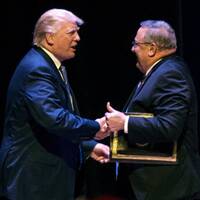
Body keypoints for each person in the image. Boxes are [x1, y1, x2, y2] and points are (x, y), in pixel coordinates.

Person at [0, 8, 110, 200]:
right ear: (50, 38)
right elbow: (55, 119)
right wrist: (95, 127)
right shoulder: (37, 69)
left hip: (45, 175)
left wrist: (88, 146)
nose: (78, 38)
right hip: (34, 179)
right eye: (71, 33)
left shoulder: (49, 65)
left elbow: (50, 130)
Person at [105, 20, 200, 200]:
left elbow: (170, 126)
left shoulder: (170, 74)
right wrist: (115, 124)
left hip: (168, 190)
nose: (133, 49)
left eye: (136, 44)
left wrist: (124, 122)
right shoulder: (161, 71)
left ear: (151, 49)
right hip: (155, 188)